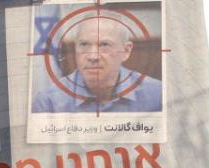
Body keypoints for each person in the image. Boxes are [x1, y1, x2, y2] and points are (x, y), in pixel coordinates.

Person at [32, 16, 161, 113]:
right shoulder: (49, 102)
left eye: (104, 45)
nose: (93, 56)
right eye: (84, 44)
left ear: (126, 51)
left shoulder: (157, 94)